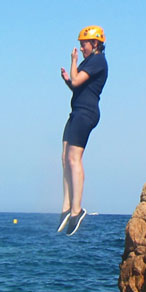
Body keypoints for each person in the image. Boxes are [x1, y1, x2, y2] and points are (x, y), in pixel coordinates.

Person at [57, 25, 108, 236]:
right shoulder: (90, 62)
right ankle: (66, 207)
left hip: (86, 113)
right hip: (76, 111)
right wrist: (68, 81)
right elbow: (77, 85)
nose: (81, 48)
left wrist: (73, 62)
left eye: (84, 44)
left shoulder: (97, 61)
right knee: (64, 158)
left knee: (74, 159)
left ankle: (78, 210)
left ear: (95, 44)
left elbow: (78, 80)